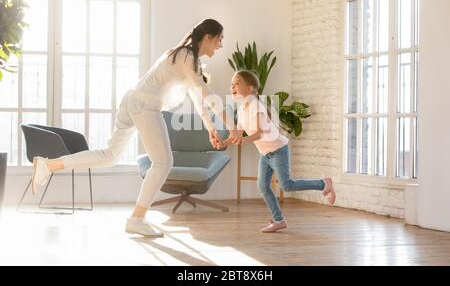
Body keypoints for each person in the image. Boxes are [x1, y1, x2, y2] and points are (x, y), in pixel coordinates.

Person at [31, 19, 235, 237]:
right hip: (145, 105)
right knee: (163, 162)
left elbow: (197, 97)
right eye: (220, 39)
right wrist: (233, 127)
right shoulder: (187, 56)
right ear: (208, 37)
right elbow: (205, 93)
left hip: (133, 101)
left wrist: (211, 128)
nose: (220, 45)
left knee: (109, 156)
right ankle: (137, 218)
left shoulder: (185, 57)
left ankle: (48, 165)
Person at [221, 70, 336, 233]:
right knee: (263, 186)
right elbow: (238, 133)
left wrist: (242, 140)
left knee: (286, 185)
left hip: (278, 150)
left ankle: (323, 183)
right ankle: (278, 220)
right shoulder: (241, 110)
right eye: (231, 83)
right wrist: (224, 143)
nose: (232, 86)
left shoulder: (256, 106)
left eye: (237, 83)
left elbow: (258, 133)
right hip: (265, 154)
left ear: (250, 88)